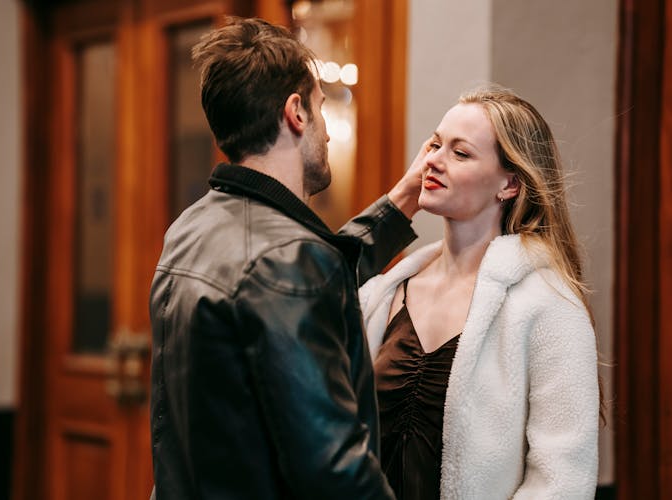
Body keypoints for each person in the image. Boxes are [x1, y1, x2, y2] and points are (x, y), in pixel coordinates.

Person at [149, 17, 424, 500]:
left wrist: (398, 205)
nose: (329, 133)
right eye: (321, 107)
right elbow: (334, 469)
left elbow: (297, 276)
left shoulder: (190, 228)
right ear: (295, 112)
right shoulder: (291, 260)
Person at [360, 85, 600, 499]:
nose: (432, 161)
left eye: (460, 152)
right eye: (435, 144)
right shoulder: (383, 293)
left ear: (509, 184)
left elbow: (564, 479)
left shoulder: (547, 305)